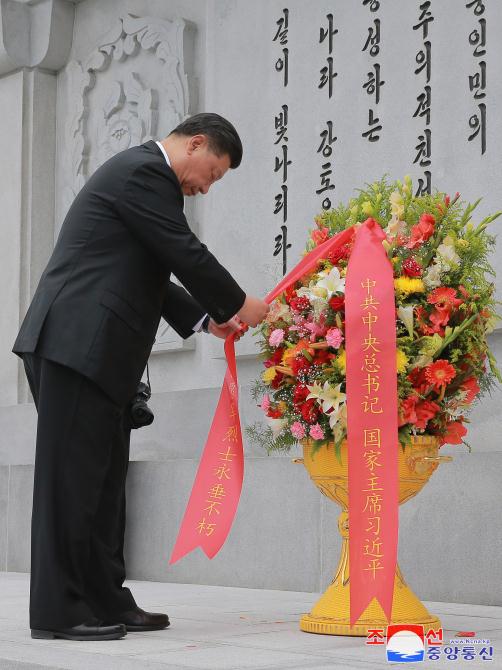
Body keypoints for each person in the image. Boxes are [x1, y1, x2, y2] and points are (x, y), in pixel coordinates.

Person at [12, 112, 269, 641]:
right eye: (213, 173)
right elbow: (182, 251)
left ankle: (107, 598)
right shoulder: (143, 172)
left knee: (105, 487)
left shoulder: (144, 180)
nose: (206, 187)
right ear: (195, 143)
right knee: (70, 483)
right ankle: (58, 611)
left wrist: (206, 318)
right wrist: (241, 302)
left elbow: (151, 268)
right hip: (74, 345)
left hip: (102, 353)